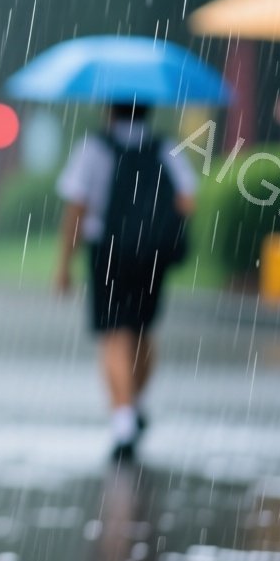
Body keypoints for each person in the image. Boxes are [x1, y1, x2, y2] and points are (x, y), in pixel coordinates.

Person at [53, 102, 196, 461]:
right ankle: (135, 403)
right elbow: (187, 198)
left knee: (114, 333)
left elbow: (76, 206)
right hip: (152, 256)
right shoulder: (164, 147)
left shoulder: (93, 148)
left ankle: (123, 420)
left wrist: (64, 265)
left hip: (108, 253)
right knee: (143, 330)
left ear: (108, 111)